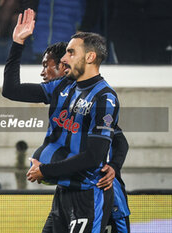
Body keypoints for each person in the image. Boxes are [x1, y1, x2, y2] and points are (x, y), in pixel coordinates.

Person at [3, 9, 121, 232]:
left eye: (70, 52)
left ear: (90, 57)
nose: (65, 59)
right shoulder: (62, 86)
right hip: (62, 195)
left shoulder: (105, 98)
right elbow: (11, 90)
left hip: (87, 197)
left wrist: (46, 170)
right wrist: (18, 43)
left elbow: (95, 156)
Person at [34, 41, 131, 233]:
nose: (43, 73)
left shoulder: (97, 98)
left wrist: (114, 166)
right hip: (69, 191)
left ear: (65, 67)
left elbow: (119, 141)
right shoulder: (67, 100)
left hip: (99, 190)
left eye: (48, 66)